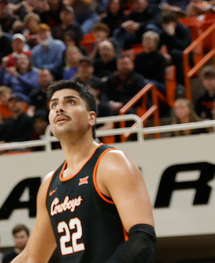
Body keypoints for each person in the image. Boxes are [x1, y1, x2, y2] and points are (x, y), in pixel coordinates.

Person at [9, 80, 156, 263]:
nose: (59, 108)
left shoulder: (111, 162)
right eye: (54, 105)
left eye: (70, 102)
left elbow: (143, 239)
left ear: (91, 118)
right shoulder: (49, 184)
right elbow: (32, 257)